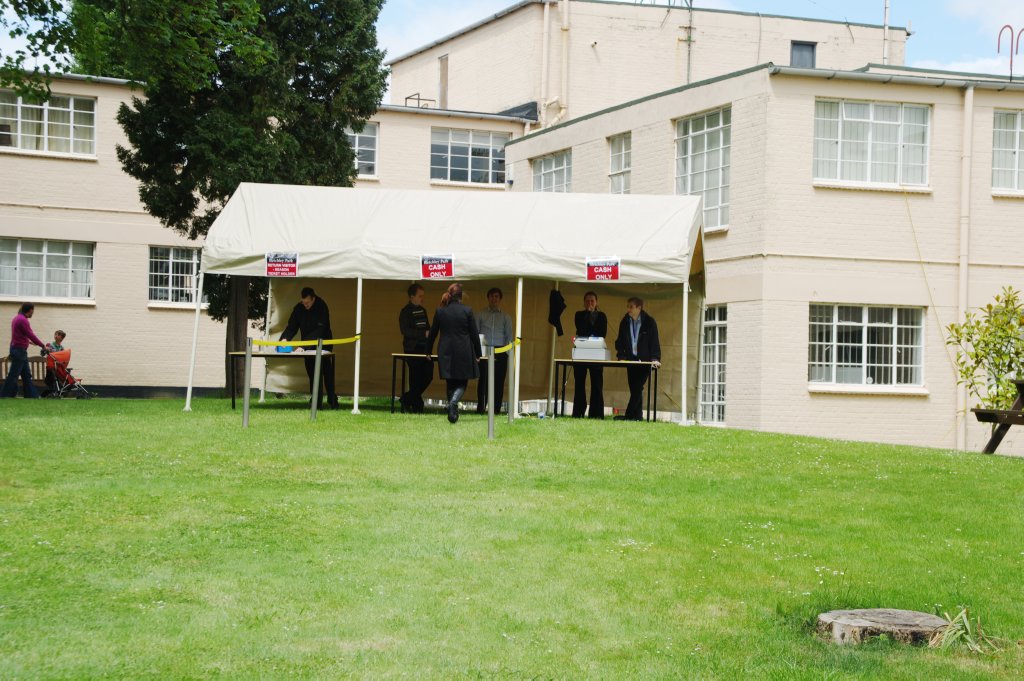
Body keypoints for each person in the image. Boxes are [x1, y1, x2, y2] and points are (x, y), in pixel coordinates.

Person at [427, 283, 483, 424]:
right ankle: (453, 403)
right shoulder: (467, 310)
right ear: (461, 296)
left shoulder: (440, 311)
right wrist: (478, 353)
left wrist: (428, 350)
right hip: (463, 350)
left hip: (445, 350)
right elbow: (474, 334)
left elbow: (432, 333)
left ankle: (452, 413)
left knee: (450, 380)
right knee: (462, 381)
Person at [280, 287, 339, 410]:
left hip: (324, 343)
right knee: (312, 371)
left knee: (326, 371)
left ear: (314, 298)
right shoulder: (299, 308)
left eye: (308, 303)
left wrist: (303, 346)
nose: (305, 305)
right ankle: (316, 398)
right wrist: (285, 339)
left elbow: (320, 330)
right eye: (303, 302)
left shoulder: (321, 306)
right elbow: (292, 326)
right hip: (306, 345)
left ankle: (331, 398)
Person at [614, 296, 661, 421]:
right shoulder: (624, 321)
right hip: (630, 361)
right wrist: (621, 356)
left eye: (631, 307)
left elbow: (654, 342)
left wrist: (655, 358)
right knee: (635, 389)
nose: (628, 309)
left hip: (644, 362)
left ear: (639, 308)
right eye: (627, 306)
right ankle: (638, 417)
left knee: (637, 388)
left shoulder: (649, 322)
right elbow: (620, 342)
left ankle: (628, 416)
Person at [475, 287, 513, 414]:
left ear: (500, 299)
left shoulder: (506, 317)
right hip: (484, 350)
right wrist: (477, 352)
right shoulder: (480, 314)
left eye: (496, 296)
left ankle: (496, 410)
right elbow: (476, 333)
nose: (494, 299)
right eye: (491, 296)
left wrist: (507, 354)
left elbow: (509, 336)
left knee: (499, 382)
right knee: (483, 381)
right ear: (488, 298)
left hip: (501, 351)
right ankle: (481, 408)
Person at [573, 291, 608, 418]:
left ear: (596, 302)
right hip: (581, 352)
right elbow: (581, 329)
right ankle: (578, 412)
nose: (590, 303)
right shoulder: (579, 314)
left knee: (597, 384)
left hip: (596, 353)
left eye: (592, 301)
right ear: (584, 302)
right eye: (587, 301)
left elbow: (602, 333)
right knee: (579, 384)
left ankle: (596, 413)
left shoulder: (602, 316)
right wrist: (588, 314)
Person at [398, 284, 433, 413]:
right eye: (420, 296)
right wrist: (423, 334)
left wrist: (429, 335)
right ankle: (417, 405)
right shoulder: (405, 311)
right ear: (412, 297)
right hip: (412, 348)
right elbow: (405, 331)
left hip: (424, 348)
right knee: (415, 377)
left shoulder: (423, 310)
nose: (422, 298)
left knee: (428, 374)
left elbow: (427, 328)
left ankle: (407, 399)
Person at [2, 302, 47, 399]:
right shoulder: (23, 320)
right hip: (19, 351)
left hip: (17, 349)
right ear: (30, 310)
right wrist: (43, 345)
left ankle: (31, 395)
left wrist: (28, 342)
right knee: (13, 375)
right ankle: (5, 395)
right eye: (33, 311)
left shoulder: (17, 318)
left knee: (26, 374)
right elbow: (31, 334)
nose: (33, 313)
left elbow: (19, 335)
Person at [42, 329, 67, 397]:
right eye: (55, 334)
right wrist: (44, 349)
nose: (56, 336)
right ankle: (50, 392)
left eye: (58, 335)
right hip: (50, 366)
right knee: (50, 379)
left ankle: (55, 392)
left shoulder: (61, 348)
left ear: (62, 338)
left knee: (57, 379)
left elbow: (63, 358)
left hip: (57, 367)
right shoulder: (50, 345)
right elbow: (42, 354)